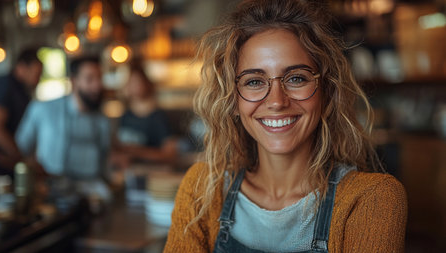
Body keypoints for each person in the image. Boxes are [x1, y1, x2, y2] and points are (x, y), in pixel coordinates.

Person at [164, 0, 407, 252]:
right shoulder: (202, 189)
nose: (277, 101)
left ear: (327, 92)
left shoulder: (371, 199)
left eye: (296, 78)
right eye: (254, 82)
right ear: (232, 100)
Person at [16, 56, 111, 200]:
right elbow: (20, 149)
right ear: (74, 81)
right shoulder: (43, 109)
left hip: (94, 191)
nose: (97, 86)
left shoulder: (102, 119)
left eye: (99, 78)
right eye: (90, 79)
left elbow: (107, 155)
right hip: (52, 191)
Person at [110, 65, 176, 169]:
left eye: (137, 82)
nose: (133, 86)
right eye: (130, 82)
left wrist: (136, 151)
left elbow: (170, 155)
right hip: (126, 174)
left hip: (152, 174)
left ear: (146, 84)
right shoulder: (126, 116)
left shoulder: (158, 117)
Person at [0, 48, 43, 176]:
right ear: (21, 67)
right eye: (36, 73)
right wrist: (18, 156)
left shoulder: (22, 90)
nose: (38, 79)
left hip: (10, 159)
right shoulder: (6, 85)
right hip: (1, 160)